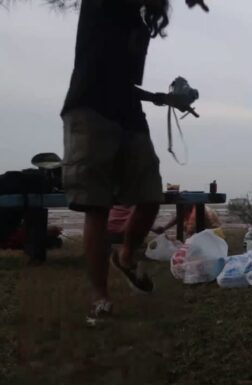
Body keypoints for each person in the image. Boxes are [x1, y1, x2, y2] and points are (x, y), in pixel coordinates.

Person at [61, 0, 205, 320]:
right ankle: (101, 298)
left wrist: (164, 98)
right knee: (96, 205)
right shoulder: (101, 7)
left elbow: (124, 84)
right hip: (89, 106)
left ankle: (124, 257)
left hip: (127, 113)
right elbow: (100, 74)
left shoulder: (139, 23)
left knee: (150, 194)